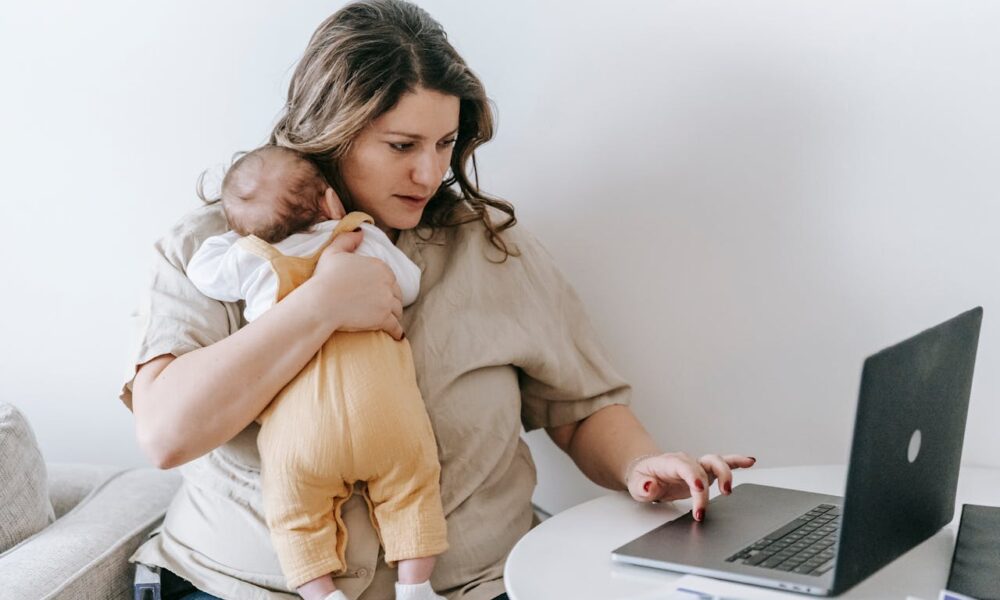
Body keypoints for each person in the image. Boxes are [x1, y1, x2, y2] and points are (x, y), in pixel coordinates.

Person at [123, 2, 756, 599]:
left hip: (477, 585)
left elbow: (579, 408)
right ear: (329, 134)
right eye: (402, 146)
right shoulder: (213, 251)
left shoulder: (490, 250)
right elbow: (166, 434)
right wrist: (318, 307)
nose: (429, 174)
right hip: (243, 587)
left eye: (445, 144)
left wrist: (643, 465)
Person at [185, 145, 447, 600]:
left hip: (302, 432)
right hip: (384, 413)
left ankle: (321, 593)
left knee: (293, 513)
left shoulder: (254, 260)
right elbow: (408, 285)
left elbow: (202, 271)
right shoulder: (360, 236)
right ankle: (416, 586)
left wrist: (239, 235)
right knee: (414, 489)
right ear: (330, 202)